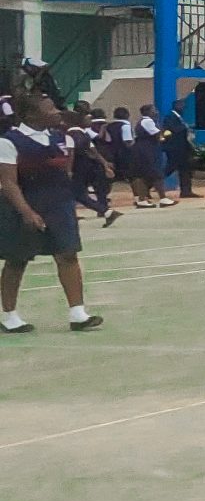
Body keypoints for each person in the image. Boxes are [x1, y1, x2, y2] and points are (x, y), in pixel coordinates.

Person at [0, 94, 106, 332]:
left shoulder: (59, 138)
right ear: (30, 115)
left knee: (68, 254)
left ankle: (78, 314)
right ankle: (9, 316)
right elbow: (8, 183)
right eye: (50, 108)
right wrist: (27, 211)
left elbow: (64, 172)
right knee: (17, 260)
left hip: (58, 205)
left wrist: (67, 202)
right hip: (24, 205)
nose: (57, 112)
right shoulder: (9, 141)